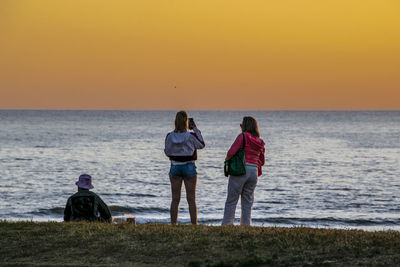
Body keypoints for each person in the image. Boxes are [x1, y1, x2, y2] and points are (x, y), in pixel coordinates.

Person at [222, 116, 265, 226]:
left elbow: (231, 152)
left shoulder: (243, 136)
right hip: (254, 171)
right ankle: (246, 224)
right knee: (247, 201)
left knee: (232, 199)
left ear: (244, 126)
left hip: (241, 169)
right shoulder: (260, 142)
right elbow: (262, 161)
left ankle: (227, 224)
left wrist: (227, 159)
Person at [164, 111, 205, 224]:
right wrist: (195, 129)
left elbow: (167, 152)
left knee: (175, 199)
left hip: (175, 166)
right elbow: (201, 144)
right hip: (189, 166)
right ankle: (194, 224)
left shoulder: (170, 136)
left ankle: (173, 224)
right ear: (186, 122)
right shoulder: (190, 136)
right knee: (191, 199)